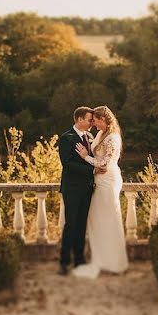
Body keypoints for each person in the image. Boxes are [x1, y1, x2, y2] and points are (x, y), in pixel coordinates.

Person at [71, 105, 128, 278]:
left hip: (108, 182)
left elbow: (105, 164)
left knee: (110, 219)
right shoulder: (100, 134)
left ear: (103, 120)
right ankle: (101, 260)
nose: (94, 124)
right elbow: (98, 159)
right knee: (97, 221)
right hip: (98, 181)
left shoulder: (113, 138)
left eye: (95, 121)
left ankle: (115, 262)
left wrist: (84, 157)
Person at [56, 106, 101, 275]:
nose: (92, 123)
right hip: (72, 188)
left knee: (82, 225)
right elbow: (67, 164)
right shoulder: (66, 138)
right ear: (80, 119)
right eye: (90, 120)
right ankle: (64, 261)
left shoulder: (90, 136)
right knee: (71, 224)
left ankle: (79, 260)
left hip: (87, 188)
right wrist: (92, 171)